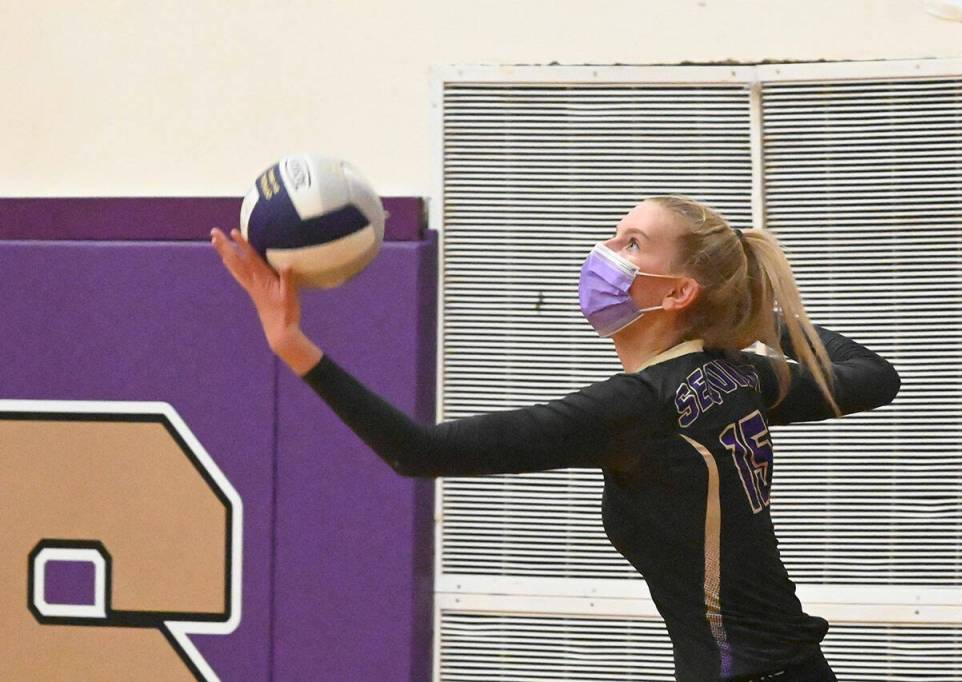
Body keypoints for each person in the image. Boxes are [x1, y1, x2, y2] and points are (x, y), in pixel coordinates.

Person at [210, 194, 900, 682]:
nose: (605, 252)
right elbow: (874, 377)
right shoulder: (741, 376)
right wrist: (753, 315)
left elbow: (417, 450)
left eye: (632, 243)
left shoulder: (635, 407)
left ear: (677, 293)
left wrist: (292, 344)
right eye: (614, 232)